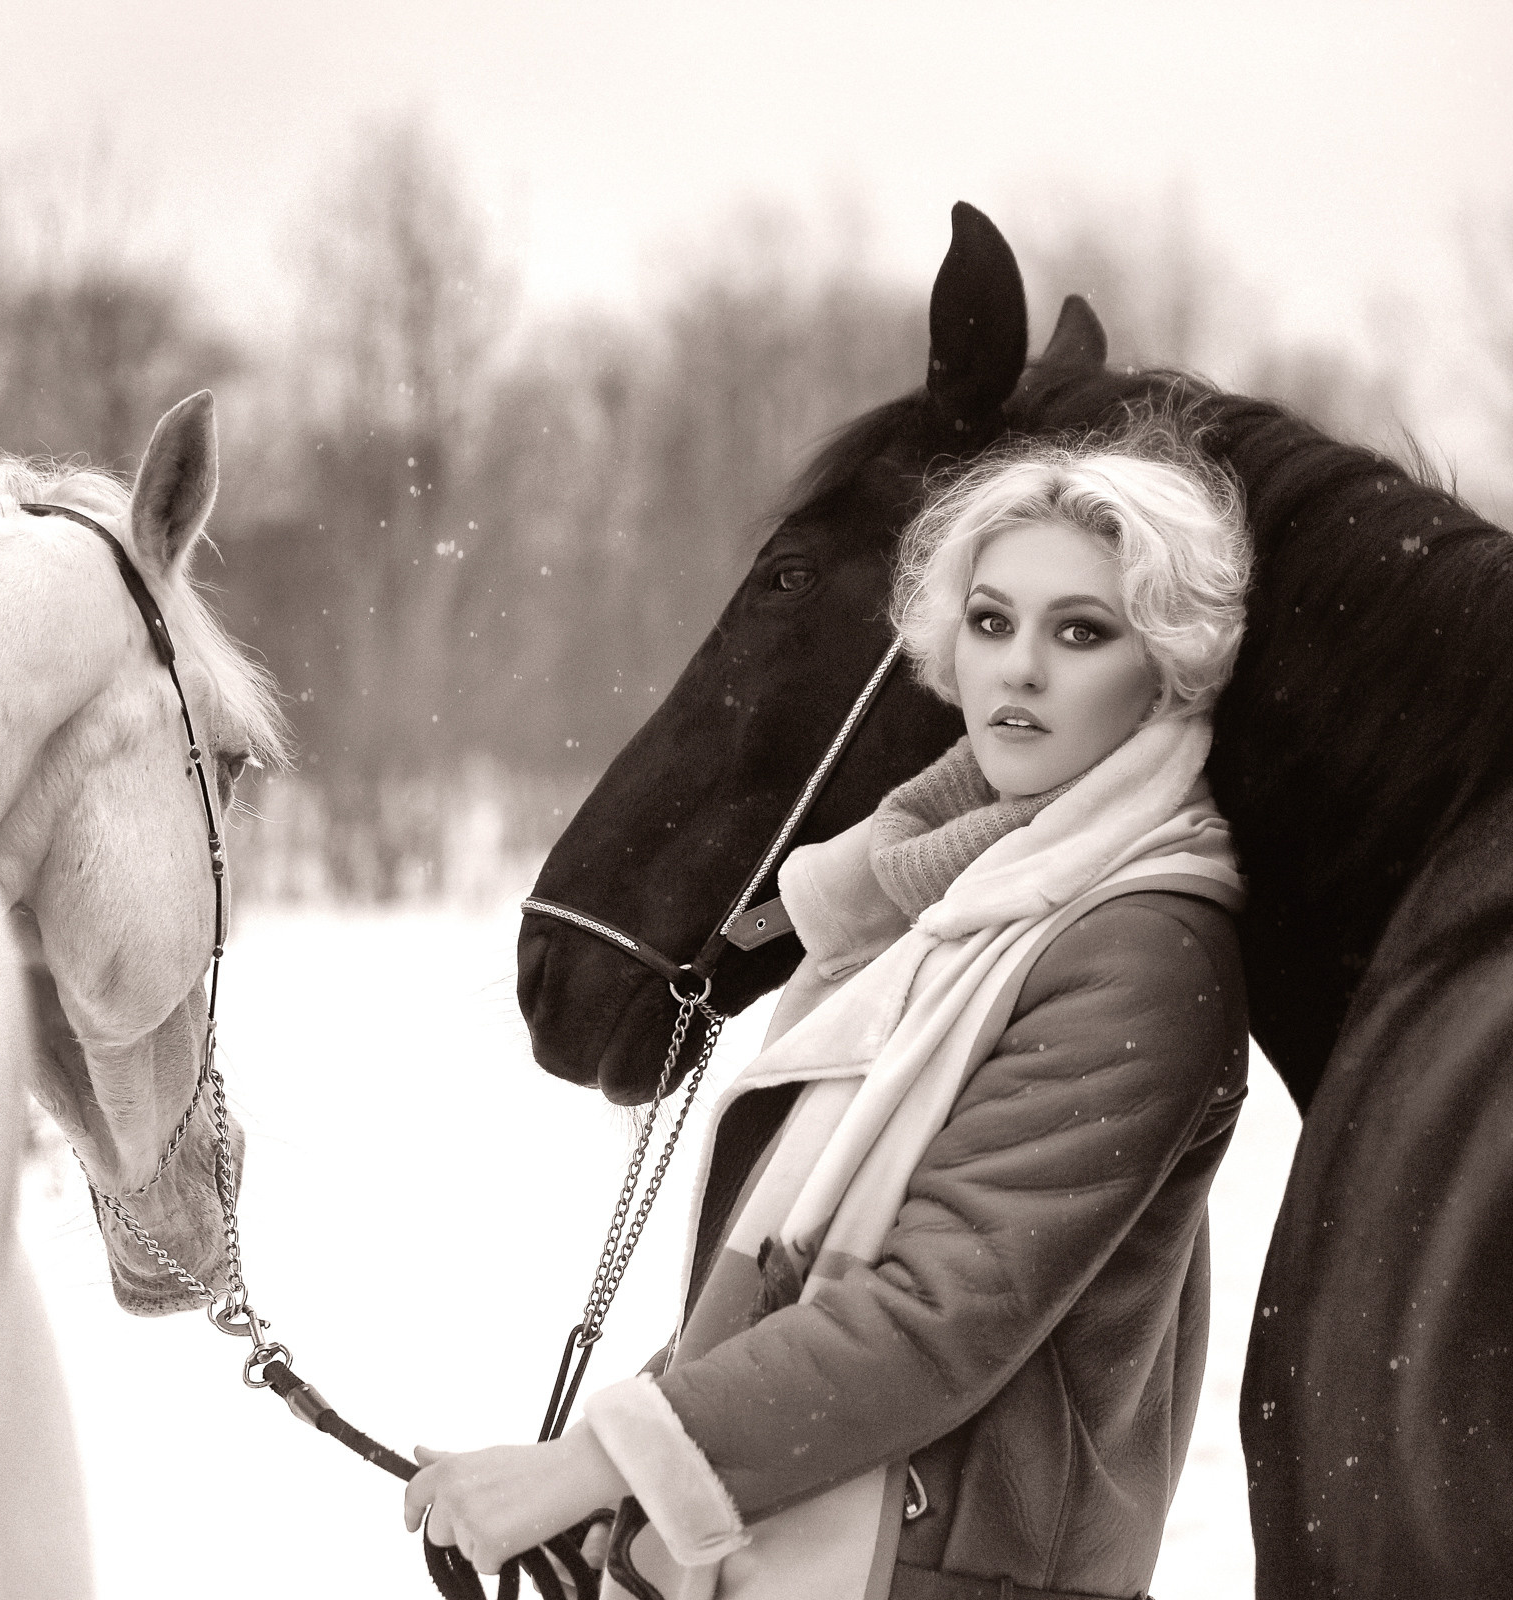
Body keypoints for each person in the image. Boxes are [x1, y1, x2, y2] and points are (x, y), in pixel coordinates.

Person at [408, 427, 1253, 1600]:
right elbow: (794, 1295)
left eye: (1082, 631)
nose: (1019, 669)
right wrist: (591, 1485)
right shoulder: (955, 900)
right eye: (993, 620)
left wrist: (609, 1458)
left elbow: (934, 1315)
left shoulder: (1143, 944)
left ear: (1166, 665)